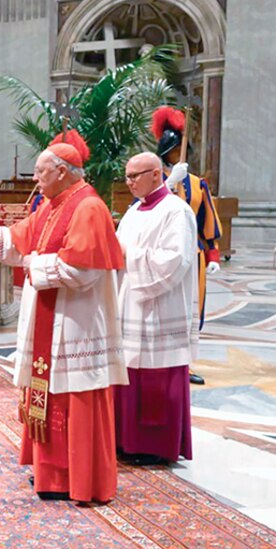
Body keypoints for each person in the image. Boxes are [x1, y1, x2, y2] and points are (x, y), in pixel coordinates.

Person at [0, 130, 126, 504]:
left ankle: (80, 478)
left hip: (75, 323)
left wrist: (32, 263)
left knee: (74, 398)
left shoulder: (88, 208)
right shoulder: (53, 206)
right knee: (48, 396)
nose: (34, 179)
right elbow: (13, 240)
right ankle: (52, 474)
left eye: (40, 171)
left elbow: (82, 271)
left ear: (63, 171)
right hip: (50, 321)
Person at [114, 152, 198, 466]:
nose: (130, 182)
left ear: (156, 174)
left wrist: (125, 255)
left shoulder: (177, 211)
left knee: (155, 378)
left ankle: (155, 446)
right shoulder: (134, 211)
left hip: (159, 308)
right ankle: (126, 440)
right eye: (127, 176)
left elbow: (175, 260)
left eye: (135, 175)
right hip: (130, 303)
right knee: (129, 374)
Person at [152, 106, 222, 386]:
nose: (177, 152)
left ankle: (185, 363)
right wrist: (168, 184)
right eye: (174, 148)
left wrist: (213, 254)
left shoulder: (197, 184)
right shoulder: (154, 180)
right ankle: (161, 360)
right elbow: (142, 209)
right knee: (166, 307)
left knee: (192, 310)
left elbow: (208, 220)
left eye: (181, 147)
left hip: (194, 256)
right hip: (163, 255)